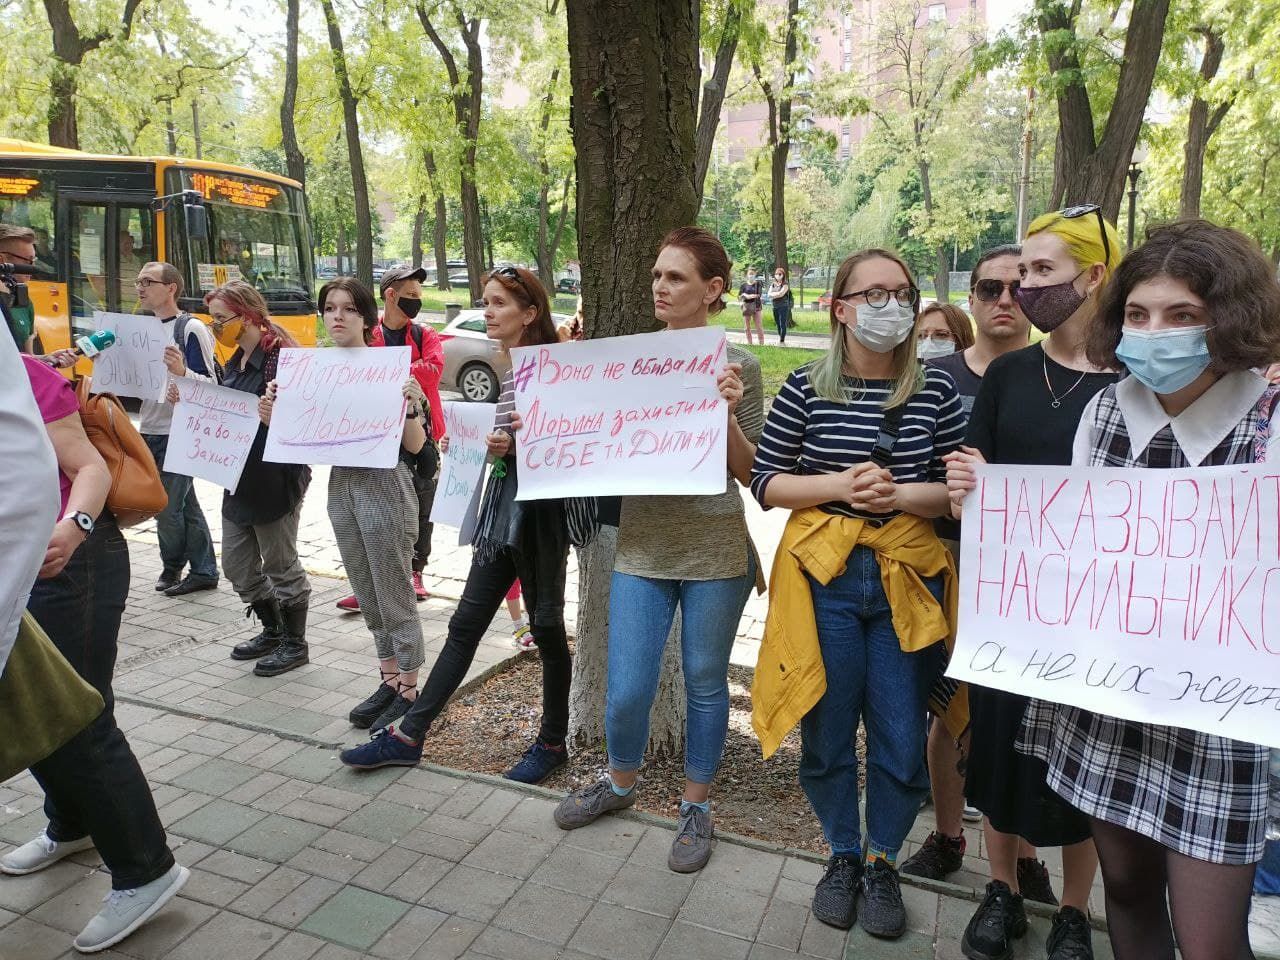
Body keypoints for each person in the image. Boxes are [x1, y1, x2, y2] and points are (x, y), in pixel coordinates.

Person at [1007, 220, 1280, 960]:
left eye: (1182, 315)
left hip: (1219, 719)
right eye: (1138, 314)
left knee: (1211, 939)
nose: (1154, 332)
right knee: (1125, 891)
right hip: (1111, 697)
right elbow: (1073, 551)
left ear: (1230, 318)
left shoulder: (1269, 423)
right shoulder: (1105, 412)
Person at [748, 248, 966, 939]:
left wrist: (900, 494)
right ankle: (843, 853)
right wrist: (840, 486)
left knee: (902, 736)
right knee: (827, 727)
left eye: (900, 292)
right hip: (827, 581)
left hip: (908, 577)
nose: (890, 306)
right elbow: (765, 481)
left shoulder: (935, 391)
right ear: (840, 308)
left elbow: (957, 497)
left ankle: (883, 862)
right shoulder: (806, 388)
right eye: (872, 294)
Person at [554, 227, 762, 874]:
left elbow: (753, 472)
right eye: (656, 276)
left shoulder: (741, 365)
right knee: (627, 689)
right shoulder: (629, 358)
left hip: (714, 548)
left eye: (675, 277)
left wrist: (725, 409)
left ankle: (696, 807)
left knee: (705, 684)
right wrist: (557, 402)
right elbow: (585, 441)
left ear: (713, 290)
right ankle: (619, 784)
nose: (661, 288)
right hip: (641, 545)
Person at [945, 207, 1123, 960]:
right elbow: (970, 474)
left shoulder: (1130, 382)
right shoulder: (1012, 373)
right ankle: (1001, 892)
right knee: (995, 746)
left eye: (1043, 271)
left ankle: (1076, 910)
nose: (1024, 287)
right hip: (1007, 609)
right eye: (1021, 273)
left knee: (1085, 759)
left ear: (1094, 276)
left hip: (1095, 616)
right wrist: (964, 482)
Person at [339, 266, 587, 785]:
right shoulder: (513, 367)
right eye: (486, 301)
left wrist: (515, 449)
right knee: (464, 628)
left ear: (530, 314)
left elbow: (574, 448)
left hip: (540, 523)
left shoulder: (553, 369)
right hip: (501, 518)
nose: (488, 312)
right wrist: (483, 448)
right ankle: (410, 736)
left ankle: (552, 741)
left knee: (544, 629)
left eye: (498, 304)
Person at [1, 338, 188, 954]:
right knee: (32, 708)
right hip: (18, 571)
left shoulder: (24, 376)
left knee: (78, 715)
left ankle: (146, 869)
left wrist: (73, 527)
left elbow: (90, 468)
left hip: (70, 563)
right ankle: (72, 823)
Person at [901, 245, 1030, 885]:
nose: (1003, 299)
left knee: (1028, 715)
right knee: (948, 710)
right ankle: (949, 839)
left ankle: (1028, 856)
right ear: (970, 297)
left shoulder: (1067, 377)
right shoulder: (935, 377)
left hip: (1034, 577)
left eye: (1017, 285)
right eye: (988, 288)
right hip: (948, 564)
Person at [312, 278, 430, 731]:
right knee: (365, 589)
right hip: (341, 486)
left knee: (394, 590)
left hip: (386, 487)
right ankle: (388, 678)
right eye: (329, 308)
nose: (337, 316)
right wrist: (275, 414)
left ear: (366, 317)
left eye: (347, 309)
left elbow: (418, 446)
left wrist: (409, 406)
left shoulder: (390, 370)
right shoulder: (316, 370)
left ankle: (410, 689)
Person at [181, 281, 312, 676]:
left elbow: (304, 418)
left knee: (280, 563)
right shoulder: (237, 357)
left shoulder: (282, 358)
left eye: (221, 319)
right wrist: (187, 398)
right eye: (213, 319)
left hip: (275, 478)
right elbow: (225, 410)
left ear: (249, 316)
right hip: (238, 476)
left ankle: (295, 643)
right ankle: (273, 630)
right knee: (238, 566)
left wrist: (276, 414)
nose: (216, 327)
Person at [335, 266, 444, 611]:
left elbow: (434, 371)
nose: (417, 301)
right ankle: (370, 582)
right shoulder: (371, 336)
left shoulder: (425, 333)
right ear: (390, 295)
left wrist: (387, 370)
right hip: (380, 434)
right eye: (410, 295)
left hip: (423, 430)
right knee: (377, 511)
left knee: (422, 504)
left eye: (419, 295)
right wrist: (397, 369)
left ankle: (416, 572)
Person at [135, 261, 221, 597]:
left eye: (148, 281)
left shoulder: (191, 328)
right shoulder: (139, 329)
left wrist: (182, 372)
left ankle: (173, 566)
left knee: (166, 506)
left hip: (181, 431)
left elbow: (213, 384)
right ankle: (203, 569)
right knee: (185, 504)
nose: (140, 287)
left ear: (171, 288)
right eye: (138, 281)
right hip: (150, 427)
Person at [0, 223, 38, 350]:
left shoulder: (23, 301)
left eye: (34, 260)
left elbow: (27, 358)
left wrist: (49, 359)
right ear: (2, 260)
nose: (33, 267)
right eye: (28, 260)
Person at [739, 266, 765, 345]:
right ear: (747, 275)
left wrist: (747, 296)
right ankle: (750, 343)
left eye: (752, 274)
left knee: (759, 326)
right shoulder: (743, 285)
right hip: (746, 307)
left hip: (756, 307)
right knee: (747, 328)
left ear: (755, 274)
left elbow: (758, 295)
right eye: (750, 274)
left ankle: (761, 344)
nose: (751, 275)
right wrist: (743, 296)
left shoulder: (758, 284)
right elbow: (739, 296)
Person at [769, 267, 793, 345]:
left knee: (782, 323)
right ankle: (780, 336)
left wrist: (774, 294)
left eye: (780, 274)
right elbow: (769, 294)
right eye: (776, 274)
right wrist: (776, 294)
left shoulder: (785, 284)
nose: (778, 275)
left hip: (783, 306)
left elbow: (781, 294)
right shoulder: (773, 284)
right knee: (777, 323)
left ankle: (782, 340)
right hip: (775, 306)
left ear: (783, 275)